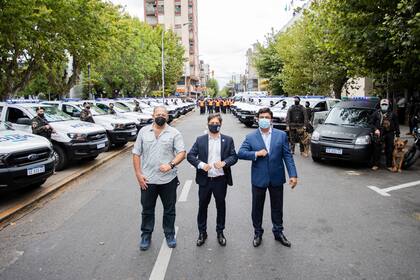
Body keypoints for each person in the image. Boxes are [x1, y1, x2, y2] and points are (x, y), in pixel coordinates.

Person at [238, 108, 298, 248]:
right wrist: (256, 153)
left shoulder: (281, 135)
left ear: (271, 119)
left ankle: (278, 232)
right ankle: (258, 232)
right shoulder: (251, 137)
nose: (264, 119)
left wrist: (293, 175)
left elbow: (287, 156)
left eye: (267, 117)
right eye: (262, 117)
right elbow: (240, 153)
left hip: (277, 177)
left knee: (277, 207)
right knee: (257, 208)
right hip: (259, 178)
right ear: (258, 119)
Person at [132, 106, 186, 251]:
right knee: (147, 210)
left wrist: (171, 164)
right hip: (148, 180)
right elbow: (136, 153)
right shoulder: (144, 132)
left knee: (169, 210)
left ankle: (169, 234)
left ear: (167, 116)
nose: (160, 116)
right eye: (158, 114)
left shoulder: (174, 133)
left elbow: (182, 152)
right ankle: (146, 235)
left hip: (168, 180)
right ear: (153, 115)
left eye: (163, 114)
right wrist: (138, 174)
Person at [187, 114, 238, 247]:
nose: (214, 124)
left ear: (220, 124)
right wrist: (201, 165)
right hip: (205, 180)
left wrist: (225, 163)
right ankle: (202, 232)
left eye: (217, 122)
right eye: (212, 122)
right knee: (202, 206)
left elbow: (234, 157)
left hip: (220, 179)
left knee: (220, 206)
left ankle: (220, 232)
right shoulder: (200, 140)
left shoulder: (228, 140)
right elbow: (190, 155)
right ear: (208, 124)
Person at [370, 99, 400, 171]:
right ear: (380, 105)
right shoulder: (376, 113)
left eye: (385, 104)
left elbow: (396, 125)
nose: (384, 106)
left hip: (390, 133)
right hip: (379, 132)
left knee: (389, 149)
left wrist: (397, 135)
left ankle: (389, 165)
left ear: (388, 105)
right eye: (383, 104)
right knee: (376, 149)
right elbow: (371, 123)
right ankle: (376, 164)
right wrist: (375, 129)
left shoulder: (393, 114)